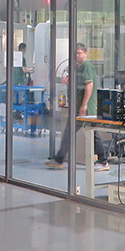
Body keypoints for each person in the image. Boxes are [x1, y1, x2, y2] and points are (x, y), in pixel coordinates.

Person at [46, 43, 109, 171]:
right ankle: (59, 159)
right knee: (70, 132)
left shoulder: (87, 67)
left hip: (85, 107)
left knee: (91, 133)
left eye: (80, 53)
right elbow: (78, 86)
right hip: (77, 106)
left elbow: (89, 85)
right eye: (75, 53)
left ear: (86, 53)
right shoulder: (77, 68)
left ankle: (103, 161)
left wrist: (84, 105)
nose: (77, 56)